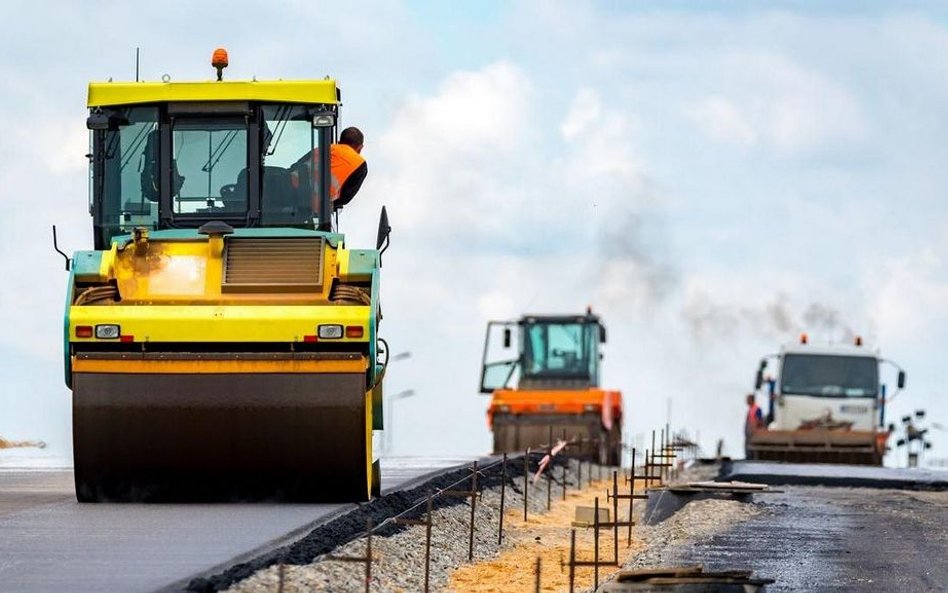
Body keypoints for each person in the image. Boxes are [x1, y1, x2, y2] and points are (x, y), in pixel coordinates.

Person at [291, 127, 368, 214]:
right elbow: (345, 198)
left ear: (339, 142)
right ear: (360, 147)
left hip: (288, 185)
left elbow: (295, 166)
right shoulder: (360, 164)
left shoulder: (324, 148)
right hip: (306, 204)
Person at [744, 393, 766, 458]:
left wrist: (756, 429)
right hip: (749, 431)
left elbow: (760, 420)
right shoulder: (750, 409)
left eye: (748, 399)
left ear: (751, 400)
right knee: (747, 447)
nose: (746, 401)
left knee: (751, 448)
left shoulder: (756, 409)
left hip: (754, 432)